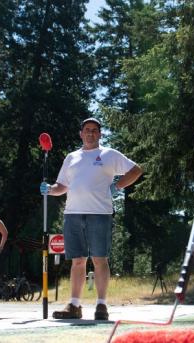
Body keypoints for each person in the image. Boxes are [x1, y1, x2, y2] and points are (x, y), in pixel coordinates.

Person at [40, 117, 143, 321]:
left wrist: (117, 186)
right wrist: (50, 189)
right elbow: (62, 186)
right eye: (87, 129)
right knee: (77, 261)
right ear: (81, 133)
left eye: (94, 130)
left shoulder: (109, 154)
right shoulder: (71, 157)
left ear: (100, 134)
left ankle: (101, 305)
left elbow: (136, 170)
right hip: (72, 213)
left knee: (99, 259)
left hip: (100, 213)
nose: (90, 133)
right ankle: (74, 305)